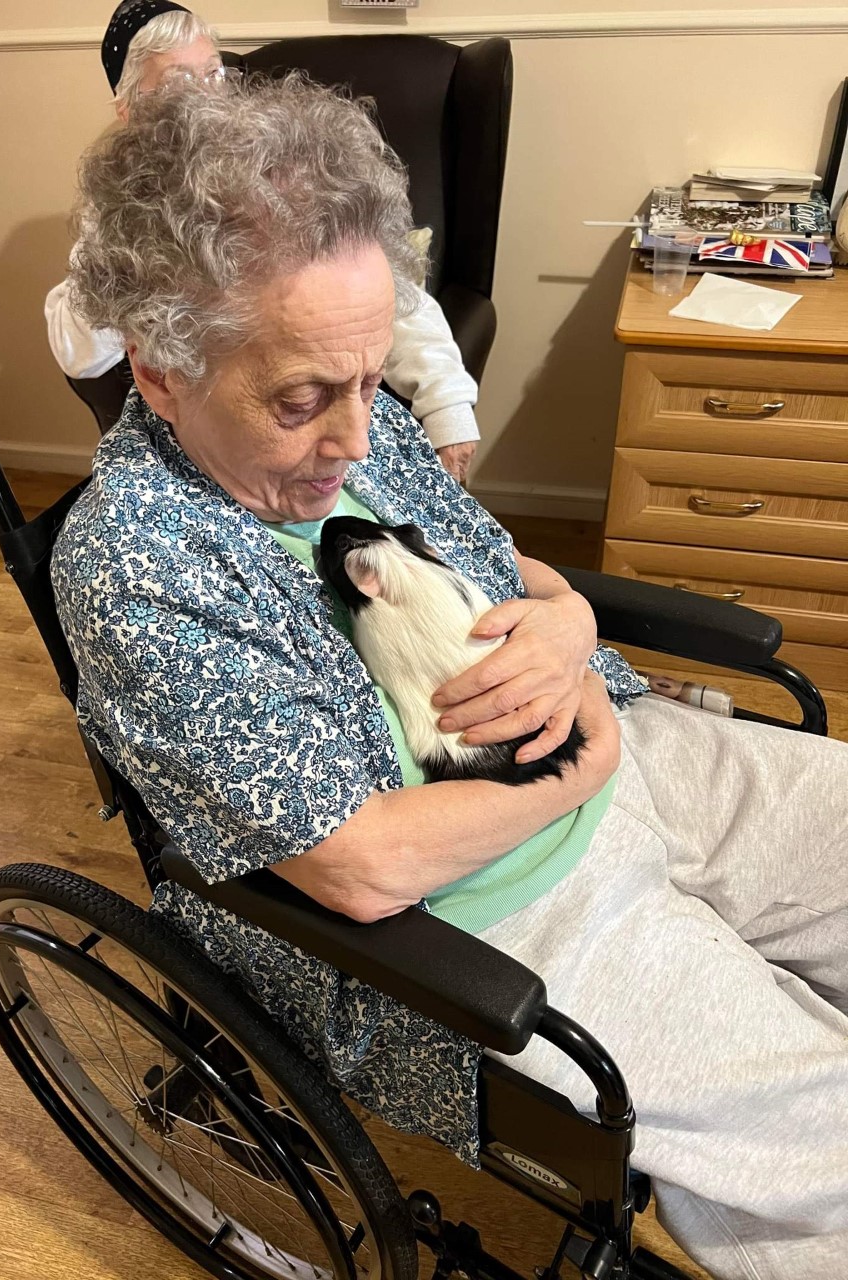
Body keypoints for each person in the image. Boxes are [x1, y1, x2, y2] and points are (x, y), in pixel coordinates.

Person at [51, 77, 848, 1280]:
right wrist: (582, 759)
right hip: (496, 913)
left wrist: (569, 625)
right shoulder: (139, 567)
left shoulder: (358, 425)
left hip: (615, 750)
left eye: (371, 378)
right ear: (161, 370)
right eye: (303, 399)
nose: (359, 437)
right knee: (826, 1134)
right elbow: (361, 865)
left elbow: (500, 561)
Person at [44, 0, 481, 483]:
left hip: (294, 419)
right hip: (191, 439)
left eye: (214, 73)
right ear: (130, 109)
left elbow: (378, 288)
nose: (205, 96)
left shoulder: (276, 169)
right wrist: (129, 249)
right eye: (176, 82)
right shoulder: (116, 204)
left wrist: (446, 402)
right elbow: (78, 353)